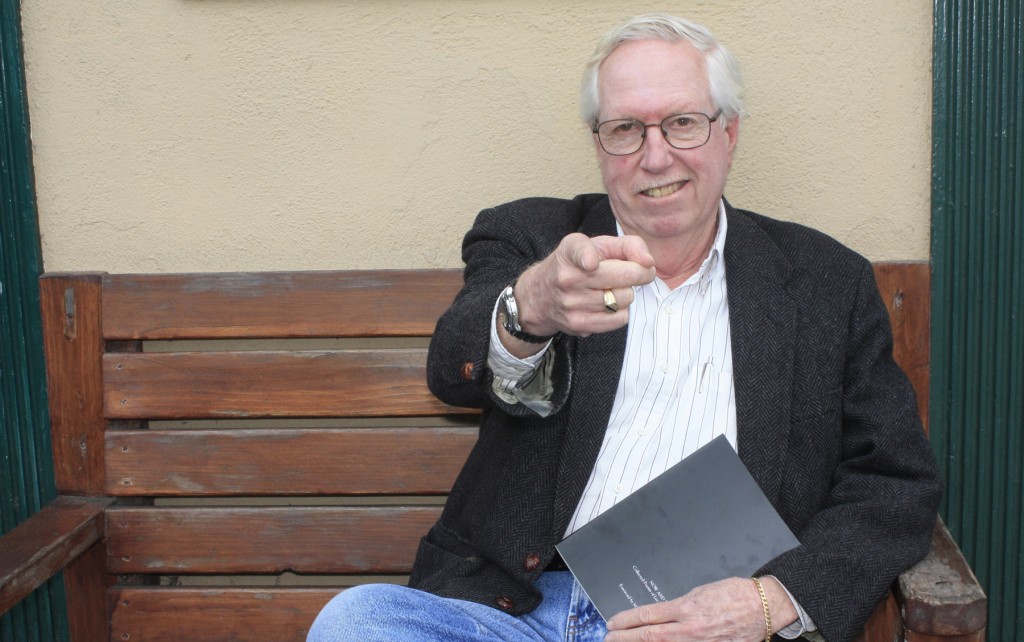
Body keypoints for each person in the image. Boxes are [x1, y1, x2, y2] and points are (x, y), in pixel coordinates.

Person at [308, 12, 941, 642]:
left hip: (703, 621)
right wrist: (532, 304)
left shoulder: (825, 281)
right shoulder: (534, 239)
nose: (655, 155)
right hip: (521, 612)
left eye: (683, 123)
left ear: (730, 132)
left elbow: (892, 481)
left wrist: (770, 601)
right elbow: (453, 367)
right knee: (356, 623)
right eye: (625, 129)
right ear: (598, 144)